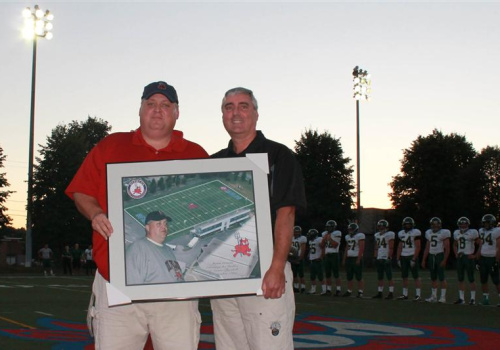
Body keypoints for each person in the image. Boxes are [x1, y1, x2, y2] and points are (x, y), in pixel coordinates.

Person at [65, 81, 208, 350]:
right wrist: (95, 214)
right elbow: (81, 191)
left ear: (177, 112)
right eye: (151, 104)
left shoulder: (196, 153)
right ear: (140, 109)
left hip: (175, 288)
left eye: (165, 105)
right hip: (117, 280)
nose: (157, 110)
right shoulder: (111, 146)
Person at [210, 87, 306, 350]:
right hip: (225, 274)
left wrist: (276, 267)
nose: (236, 112)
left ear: (255, 113)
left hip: (263, 270)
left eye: (243, 106)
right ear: (222, 115)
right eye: (229, 107)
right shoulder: (215, 161)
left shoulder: (278, 155)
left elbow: (286, 214)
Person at [126, 211, 183, 284]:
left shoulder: (168, 250)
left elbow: (178, 277)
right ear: (148, 228)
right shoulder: (138, 248)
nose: (164, 227)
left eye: (165, 223)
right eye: (159, 224)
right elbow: (132, 283)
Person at [422, 217, 451, 303]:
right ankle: (434, 296)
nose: (435, 226)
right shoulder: (428, 233)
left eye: (437, 224)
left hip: (440, 255)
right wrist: (424, 259)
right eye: (433, 224)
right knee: (433, 277)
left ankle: (443, 297)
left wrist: (444, 260)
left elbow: (447, 248)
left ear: (440, 225)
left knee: (442, 277)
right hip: (431, 256)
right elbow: (427, 247)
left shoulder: (444, 233)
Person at [453, 217, 479, 305]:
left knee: (471, 278)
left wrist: (475, 255)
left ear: (468, 224)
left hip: (468, 257)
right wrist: (456, 253)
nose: (463, 225)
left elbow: (480, 243)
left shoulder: (473, 232)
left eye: (465, 223)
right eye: (461, 224)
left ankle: (472, 299)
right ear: (459, 224)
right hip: (461, 257)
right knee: (460, 278)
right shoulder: (456, 233)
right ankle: (461, 298)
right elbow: (455, 245)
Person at [476, 214, 500, 306]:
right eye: (484, 223)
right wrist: (477, 259)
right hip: (483, 258)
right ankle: (485, 299)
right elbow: (481, 245)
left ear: (492, 223)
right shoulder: (481, 231)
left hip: (492, 258)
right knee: (483, 279)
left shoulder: (497, 231)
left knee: (496, 280)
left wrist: (497, 261)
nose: (485, 225)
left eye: (487, 223)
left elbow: (498, 247)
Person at [396, 217, 422, 301]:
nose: (407, 226)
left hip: (411, 255)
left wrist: (414, 258)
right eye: (406, 224)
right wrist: (397, 258)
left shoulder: (415, 232)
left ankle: (418, 295)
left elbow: (418, 246)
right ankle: (405, 294)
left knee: (416, 276)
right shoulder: (401, 233)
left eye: (409, 224)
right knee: (404, 276)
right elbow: (400, 246)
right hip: (403, 256)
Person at [372, 219, 395, 299]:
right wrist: (375, 257)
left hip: (386, 257)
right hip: (379, 257)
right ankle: (380, 292)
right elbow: (376, 247)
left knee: (389, 276)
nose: (381, 228)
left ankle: (391, 292)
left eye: (382, 226)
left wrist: (389, 257)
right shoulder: (377, 235)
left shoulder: (390, 234)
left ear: (386, 227)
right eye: (380, 226)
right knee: (380, 276)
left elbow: (391, 247)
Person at [342, 223, 365, 298]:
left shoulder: (360, 236)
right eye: (349, 229)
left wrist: (359, 258)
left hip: (356, 257)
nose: (350, 231)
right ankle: (349, 290)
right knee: (349, 276)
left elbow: (361, 248)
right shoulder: (347, 237)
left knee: (359, 276)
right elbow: (346, 248)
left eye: (352, 229)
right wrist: (344, 258)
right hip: (349, 258)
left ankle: (360, 291)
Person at [320, 220, 342, 296]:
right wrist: (324, 239)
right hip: (327, 255)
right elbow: (322, 245)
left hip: (334, 255)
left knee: (336, 273)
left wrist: (329, 238)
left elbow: (335, 245)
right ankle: (328, 290)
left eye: (330, 227)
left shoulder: (337, 233)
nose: (328, 228)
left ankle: (338, 289)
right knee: (327, 274)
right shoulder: (325, 234)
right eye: (328, 227)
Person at [307, 228, 325, 295]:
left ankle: (324, 290)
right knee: (312, 276)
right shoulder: (311, 241)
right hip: (312, 260)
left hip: (318, 260)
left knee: (320, 276)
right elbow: (311, 249)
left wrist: (321, 257)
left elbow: (323, 247)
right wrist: (309, 255)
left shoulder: (319, 239)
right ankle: (313, 289)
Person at [290, 225, 307, 293]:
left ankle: (303, 288)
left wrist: (300, 258)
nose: (296, 233)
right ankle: (296, 287)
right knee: (294, 274)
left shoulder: (303, 238)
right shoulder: (291, 238)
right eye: (295, 232)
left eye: (298, 232)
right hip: (293, 257)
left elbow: (303, 249)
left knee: (301, 274)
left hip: (299, 257)